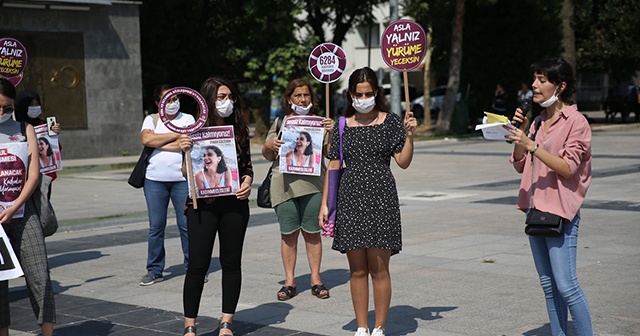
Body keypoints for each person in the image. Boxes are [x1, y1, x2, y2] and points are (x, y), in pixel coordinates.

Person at [318, 67, 416, 336]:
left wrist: (410, 135)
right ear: (351, 94)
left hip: (381, 198)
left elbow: (403, 162)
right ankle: (361, 327)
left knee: (379, 267)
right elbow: (334, 165)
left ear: (376, 93)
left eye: (368, 93)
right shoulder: (341, 124)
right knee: (357, 270)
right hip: (350, 199)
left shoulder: (391, 121)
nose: (363, 98)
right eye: (359, 94)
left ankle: (379, 327)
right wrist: (326, 204)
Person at [506, 57, 593, 336]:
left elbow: (568, 168)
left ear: (561, 85)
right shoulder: (538, 121)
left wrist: (532, 145)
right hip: (536, 210)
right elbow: (520, 163)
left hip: (562, 215)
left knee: (566, 285)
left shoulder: (576, 123)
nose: (535, 85)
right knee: (548, 285)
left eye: (542, 80)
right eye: (535, 79)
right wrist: (521, 134)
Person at [178, 77, 253, 336]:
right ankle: (190, 326)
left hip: (234, 205)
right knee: (197, 266)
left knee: (231, 263)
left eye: (230, 97)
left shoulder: (239, 130)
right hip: (202, 208)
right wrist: (185, 150)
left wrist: (247, 182)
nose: (227, 102)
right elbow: (186, 173)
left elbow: (247, 168)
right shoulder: (194, 132)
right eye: (221, 97)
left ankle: (226, 323)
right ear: (208, 100)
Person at [262, 78, 334, 302]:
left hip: (313, 186)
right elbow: (268, 155)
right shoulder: (281, 122)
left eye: (306, 95)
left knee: (313, 233)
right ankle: (289, 281)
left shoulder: (321, 123)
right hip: (284, 188)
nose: (303, 99)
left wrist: (332, 132)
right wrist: (269, 146)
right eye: (298, 96)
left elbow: (331, 154)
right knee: (288, 234)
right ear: (289, 99)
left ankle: (315, 279)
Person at [0, 78, 55, 336]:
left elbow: (33, 175)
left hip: (24, 212)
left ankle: (47, 331)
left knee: (39, 274)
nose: (2, 113)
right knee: (0, 282)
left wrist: (14, 206)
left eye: (7, 107)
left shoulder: (24, 129)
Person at [139, 84, 194, 286]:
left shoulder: (187, 119)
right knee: (156, 226)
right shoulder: (151, 119)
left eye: (174, 99)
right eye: (167, 100)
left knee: (186, 225)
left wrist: (159, 141)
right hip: (154, 181)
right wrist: (176, 137)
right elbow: (146, 139)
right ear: (157, 103)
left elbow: (189, 141)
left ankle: (193, 267)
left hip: (181, 180)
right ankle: (154, 270)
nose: (172, 103)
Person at [14, 90, 62, 183]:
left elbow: (55, 150)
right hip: (23, 175)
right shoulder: (16, 127)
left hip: (44, 175)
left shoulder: (44, 125)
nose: (35, 107)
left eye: (37, 104)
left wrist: (54, 134)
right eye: (31, 104)